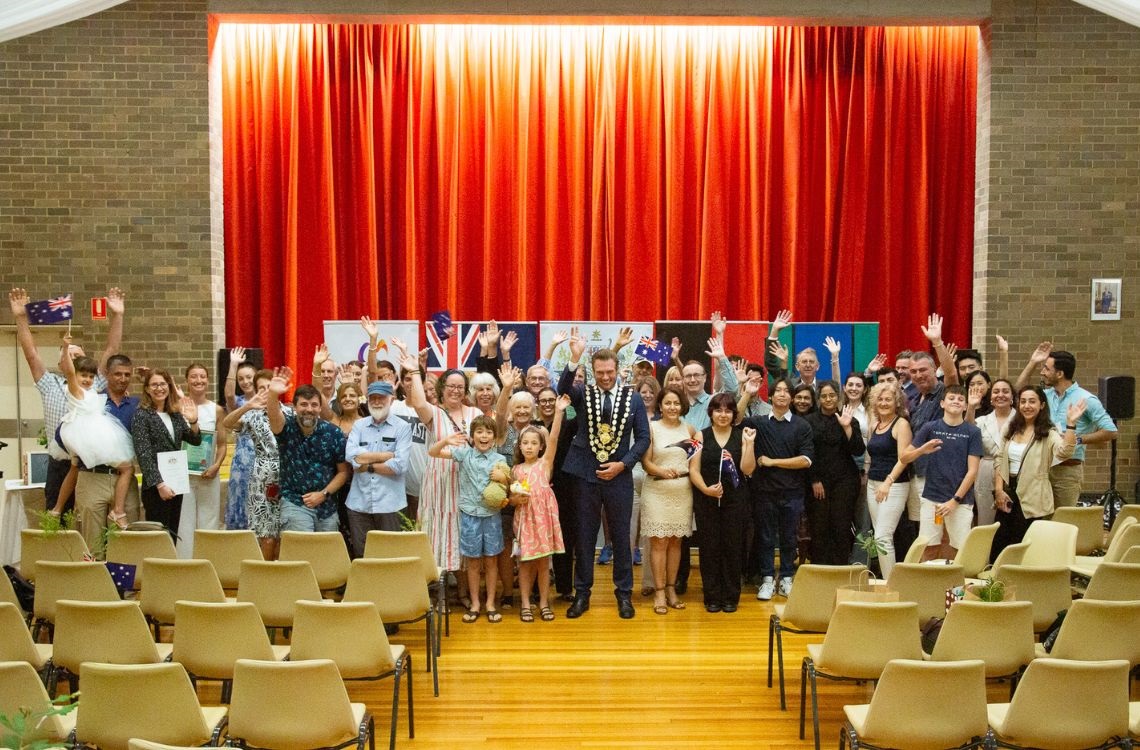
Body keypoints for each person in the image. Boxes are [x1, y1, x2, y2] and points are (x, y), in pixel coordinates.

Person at [9, 286, 125, 525]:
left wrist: (117, 315)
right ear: (61, 362)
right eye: (69, 356)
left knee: (88, 524)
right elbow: (31, 353)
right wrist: (21, 318)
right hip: (60, 464)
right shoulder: (49, 384)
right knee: (57, 519)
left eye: (79, 356)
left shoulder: (94, 384)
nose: (74, 361)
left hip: (89, 468)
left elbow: (112, 350)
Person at [558, 328, 650, 620]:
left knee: (621, 537)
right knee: (584, 537)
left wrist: (623, 464)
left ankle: (624, 595)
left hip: (619, 475)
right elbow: (562, 388)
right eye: (600, 372)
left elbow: (644, 439)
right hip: (586, 475)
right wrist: (574, 358)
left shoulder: (632, 398)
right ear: (593, 371)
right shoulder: (583, 394)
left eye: (610, 371)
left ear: (617, 370)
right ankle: (582, 594)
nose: (606, 377)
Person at [398, 344, 483, 573]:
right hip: (437, 483)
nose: (455, 391)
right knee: (435, 529)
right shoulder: (433, 413)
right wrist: (415, 371)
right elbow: (417, 402)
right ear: (442, 388)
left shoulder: (476, 414)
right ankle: (434, 582)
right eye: (450, 386)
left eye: (460, 387)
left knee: (462, 529)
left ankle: (461, 589)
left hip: (465, 483)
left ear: (465, 391)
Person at [1017, 344, 1118, 508]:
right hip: (1040, 468)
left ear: (1060, 373)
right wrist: (1033, 362)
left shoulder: (1086, 399)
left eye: (1046, 368)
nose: (1042, 372)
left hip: (1067, 470)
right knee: (1038, 518)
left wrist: (1076, 439)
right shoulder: (1045, 395)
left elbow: (1111, 431)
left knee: (1062, 518)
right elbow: (1019, 390)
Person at [428, 415, 506, 624]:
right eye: (479, 432)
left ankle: (490, 602)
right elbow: (432, 452)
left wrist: (504, 478)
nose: (484, 436)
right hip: (470, 515)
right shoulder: (464, 454)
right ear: (472, 436)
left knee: (491, 561)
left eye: (488, 432)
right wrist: (446, 441)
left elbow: (511, 482)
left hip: (491, 516)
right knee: (472, 562)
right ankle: (475, 603)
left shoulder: (500, 459)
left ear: (494, 437)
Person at [741, 378, 814, 600]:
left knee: (789, 538)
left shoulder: (802, 425)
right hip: (763, 492)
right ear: (771, 396)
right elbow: (735, 419)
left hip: (792, 492)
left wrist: (772, 462)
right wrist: (746, 393)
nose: (782, 394)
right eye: (778, 390)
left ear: (792, 397)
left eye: (786, 391)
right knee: (765, 537)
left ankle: (787, 578)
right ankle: (766, 579)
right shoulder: (758, 422)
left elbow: (806, 460)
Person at [992, 387, 1083, 555]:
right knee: (999, 545)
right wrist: (998, 490)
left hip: (1033, 496)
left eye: (1032, 401)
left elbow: (1065, 452)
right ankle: (998, 580)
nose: (1027, 406)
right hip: (1007, 494)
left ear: (1041, 405)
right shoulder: (1010, 428)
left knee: (1023, 547)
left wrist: (1071, 425)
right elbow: (998, 459)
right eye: (1023, 401)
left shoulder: (1048, 432)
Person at [56, 339, 135, 533]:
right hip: (90, 443)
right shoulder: (76, 391)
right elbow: (68, 370)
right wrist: (66, 348)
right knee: (125, 467)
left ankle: (117, 510)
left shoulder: (93, 393)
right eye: (83, 375)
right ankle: (117, 511)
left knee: (126, 468)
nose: (87, 380)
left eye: (91, 376)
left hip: (96, 437)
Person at [899, 385, 981, 561]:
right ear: (942, 403)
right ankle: (928, 587)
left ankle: (954, 589)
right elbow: (905, 457)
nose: (956, 401)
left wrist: (954, 501)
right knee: (928, 547)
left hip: (960, 501)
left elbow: (972, 471)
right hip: (932, 499)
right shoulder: (930, 427)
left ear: (966, 406)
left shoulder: (972, 432)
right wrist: (922, 450)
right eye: (951, 398)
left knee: (958, 550)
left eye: (960, 399)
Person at [266, 369, 351, 534]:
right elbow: (273, 415)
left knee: (325, 556)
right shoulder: (286, 428)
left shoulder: (333, 433)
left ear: (320, 408)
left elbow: (343, 472)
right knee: (301, 553)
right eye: (303, 404)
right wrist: (273, 394)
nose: (309, 409)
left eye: (314, 405)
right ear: (294, 407)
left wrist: (323, 494)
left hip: (327, 507)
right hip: (295, 503)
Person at [510, 395, 570, 623]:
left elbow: (554, 437)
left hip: (544, 520)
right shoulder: (515, 470)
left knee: (544, 564)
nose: (529, 446)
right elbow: (510, 498)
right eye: (525, 443)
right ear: (519, 446)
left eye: (534, 443)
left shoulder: (545, 465)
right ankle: (526, 603)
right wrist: (516, 499)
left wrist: (559, 411)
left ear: (541, 446)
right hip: (525, 520)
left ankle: (544, 602)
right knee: (525, 564)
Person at [639, 386, 697, 615]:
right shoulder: (651, 428)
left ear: (682, 405)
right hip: (656, 490)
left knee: (676, 543)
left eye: (676, 403)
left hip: (682, 491)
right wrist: (661, 472)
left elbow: (695, 462)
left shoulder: (690, 430)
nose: (672, 407)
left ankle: (672, 589)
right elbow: (646, 462)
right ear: (660, 406)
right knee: (659, 543)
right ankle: (659, 591)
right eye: (667, 403)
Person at [689, 392, 749, 613]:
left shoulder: (743, 435)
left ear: (734, 413)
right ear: (711, 413)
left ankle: (731, 596)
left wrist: (750, 446)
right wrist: (706, 489)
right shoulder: (700, 436)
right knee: (710, 548)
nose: (723, 414)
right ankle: (712, 596)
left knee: (733, 548)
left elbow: (748, 470)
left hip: (736, 500)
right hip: (707, 499)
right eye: (718, 410)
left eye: (727, 410)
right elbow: (693, 469)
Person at [131, 369, 202, 538]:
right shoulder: (141, 415)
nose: (159, 388)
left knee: (173, 534)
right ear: (147, 389)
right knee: (158, 536)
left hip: (176, 483)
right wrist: (160, 485)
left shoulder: (175, 414)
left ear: (169, 387)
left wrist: (193, 421)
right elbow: (144, 454)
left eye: (163, 384)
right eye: (154, 384)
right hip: (156, 488)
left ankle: (171, 565)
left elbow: (195, 440)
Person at [344, 381, 412, 556]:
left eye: (381, 397)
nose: (376, 402)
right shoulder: (359, 425)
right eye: (372, 398)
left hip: (391, 505)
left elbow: (399, 465)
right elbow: (351, 456)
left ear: (391, 399)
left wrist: (367, 465)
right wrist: (384, 456)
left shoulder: (402, 427)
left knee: (391, 557)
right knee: (362, 556)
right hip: (358, 505)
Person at [222, 368, 284, 559]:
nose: (266, 392)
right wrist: (247, 406)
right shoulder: (252, 415)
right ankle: (264, 577)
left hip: (286, 476)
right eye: (261, 389)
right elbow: (227, 423)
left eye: (270, 387)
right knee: (265, 534)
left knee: (284, 533)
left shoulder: (289, 412)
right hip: (260, 479)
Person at [803, 381, 865, 565]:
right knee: (819, 525)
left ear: (838, 397)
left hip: (845, 481)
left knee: (841, 524)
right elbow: (807, 453)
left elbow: (858, 450)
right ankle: (820, 568)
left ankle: (840, 567)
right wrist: (814, 480)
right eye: (824, 396)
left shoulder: (849, 419)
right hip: (818, 481)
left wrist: (846, 427)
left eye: (832, 395)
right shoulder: (809, 421)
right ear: (818, 399)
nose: (828, 399)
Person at [177, 363, 227, 556]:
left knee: (209, 523)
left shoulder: (216, 410)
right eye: (194, 377)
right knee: (184, 524)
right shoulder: (177, 407)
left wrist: (216, 466)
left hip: (208, 474)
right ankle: (185, 568)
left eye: (202, 376)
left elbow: (222, 444)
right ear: (187, 380)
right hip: (184, 476)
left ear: (208, 380)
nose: (198, 380)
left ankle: (209, 565)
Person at [864, 382, 913, 578]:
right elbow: (871, 456)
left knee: (882, 537)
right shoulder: (874, 425)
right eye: (880, 399)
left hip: (895, 485)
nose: (884, 403)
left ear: (897, 402)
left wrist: (888, 482)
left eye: (888, 399)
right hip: (873, 484)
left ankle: (891, 585)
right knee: (881, 537)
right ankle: (889, 582)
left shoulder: (901, 424)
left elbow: (904, 459)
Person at [968, 377, 1013, 528]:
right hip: (986, 470)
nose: (1001, 395)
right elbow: (967, 432)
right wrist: (971, 407)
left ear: (1012, 397)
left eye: (1005, 391)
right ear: (991, 398)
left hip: (1014, 470)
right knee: (986, 520)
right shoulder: (982, 420)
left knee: (1012, 521)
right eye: (996, 392)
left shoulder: (1021, 419)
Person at [223, 348, 258, 530]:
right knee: (240, 501)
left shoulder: (270, 401)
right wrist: (233, 364)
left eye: (249, 377)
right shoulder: (238, 403)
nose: (245, 382)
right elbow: (229, 395)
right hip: (242, 463)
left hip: (264, 462)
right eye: (241, 379)